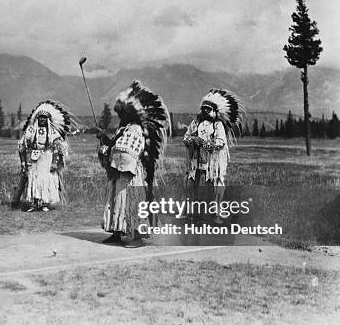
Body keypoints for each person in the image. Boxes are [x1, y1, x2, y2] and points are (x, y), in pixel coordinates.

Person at [97, 80, 170, 247]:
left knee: (132, 203)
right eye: (120, 114)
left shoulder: (136, 130)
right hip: (119, 174)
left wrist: (109, 151)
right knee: (116, 202)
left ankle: (137, 237)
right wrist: (105, 141)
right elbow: (115, 147)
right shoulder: (123, 130)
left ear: (130, 115)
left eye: (123, 114)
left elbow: (127, 151)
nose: (120, 117)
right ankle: (116, 232)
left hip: (130, 175)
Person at [183, 88, 244, 223]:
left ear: (214, 111)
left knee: (213, 187)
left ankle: (215, 214)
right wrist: (192, 140)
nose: (205, 111)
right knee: (191, 184)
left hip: (211, 161)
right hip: (196, 160)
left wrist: (206, 143)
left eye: (208, 109)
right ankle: (192, 212)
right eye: (204, 108)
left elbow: (221, 141)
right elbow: (186, 137)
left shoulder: (218, 125)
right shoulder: (195, 123)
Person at [17, 100, 73, 212]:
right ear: (37, 118)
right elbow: (22, 146)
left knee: (47, 179)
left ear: (48, 119)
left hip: (47, 157)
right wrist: (23, 162)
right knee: (33, 179)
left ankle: (45, 203)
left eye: (44, 117)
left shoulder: (53, 132)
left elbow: (58, 148)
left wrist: (55, 162)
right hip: (33, 158)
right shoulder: (31, 130)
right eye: (40, 117)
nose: (42, 119)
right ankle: (33, 203)